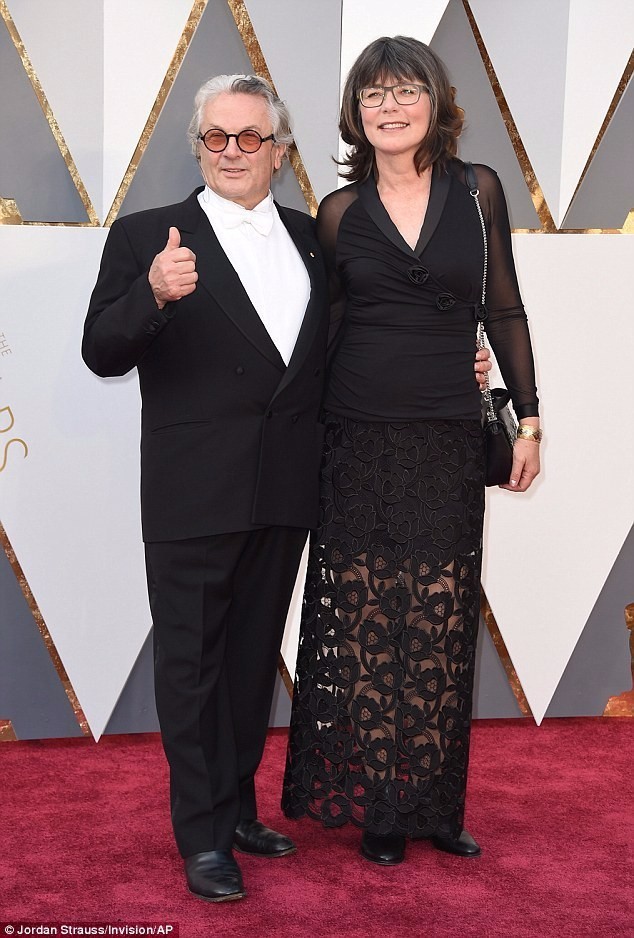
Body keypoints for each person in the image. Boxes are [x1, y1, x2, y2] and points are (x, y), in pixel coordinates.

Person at [83, 72, 491, 902]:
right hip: (192, 494)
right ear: (197, 146)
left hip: (287, 490)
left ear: (281, 150)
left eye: (251, 138)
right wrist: (150, 297)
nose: (232, 152)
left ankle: (237, 809)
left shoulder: (317, 236)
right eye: (216, 138)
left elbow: (367, 337)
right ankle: (201, 837)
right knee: (191, 668)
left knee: (246, 664)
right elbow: (100, 349)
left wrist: (462, 364)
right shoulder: (144, 236)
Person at [282, 36, 541, 867]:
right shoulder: (338, 212)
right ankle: (383, 807)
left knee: (438, 617)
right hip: (355, 435)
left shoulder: (479, 191)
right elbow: (322, 329)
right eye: (372, 96)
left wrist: (528, 421)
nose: (388, 108)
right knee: (364, 620)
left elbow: (504, 309)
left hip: (446, 436)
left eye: (404, 92)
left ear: (435, 102)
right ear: (356, 114)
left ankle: (434, 801)